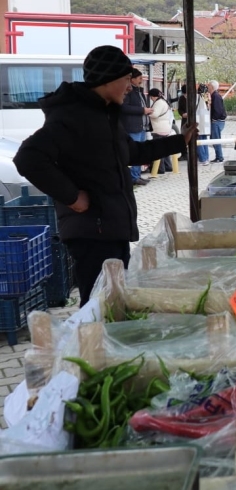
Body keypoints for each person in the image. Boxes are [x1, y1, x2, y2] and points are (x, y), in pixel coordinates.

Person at [13, 45, 195, 306]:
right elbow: (27, 158)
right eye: (125, 79)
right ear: (108, 80)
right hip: (91, 231)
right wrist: (72, 196)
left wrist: (180, 141)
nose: (129, 86)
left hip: (112, 227)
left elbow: (131, 152)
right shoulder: (71, 116)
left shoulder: (104, 115)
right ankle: (90, 346)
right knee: (98, 305)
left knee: (116, 302)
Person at [121, 68, 151, 185]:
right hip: (133, 128)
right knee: (134, 152)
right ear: (132, 79)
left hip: (142, 127)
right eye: (139, 78)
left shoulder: (139, 91)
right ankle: (133, 177)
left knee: (140, 152)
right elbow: (124, 107)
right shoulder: (128, 92)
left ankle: (137, 175)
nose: (141, 80)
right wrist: (142, 110)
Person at [148, 88, 174, 174]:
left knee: (159, 149)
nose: (151, 99)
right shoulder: (164, 101)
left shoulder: (158, 103)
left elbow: (155, 114)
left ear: (153, 96)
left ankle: (160, 169)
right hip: (165, 128)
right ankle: (168, 166)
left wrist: (147, 112)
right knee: (165, 149)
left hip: (159, 128)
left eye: (151, 97)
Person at [208, 80, 226, 163]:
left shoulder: (216, 96)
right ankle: (218, 156)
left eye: (208, 86)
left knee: (216, 139)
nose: (207, 87)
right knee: (214, 138)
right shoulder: (214, 96)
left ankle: (219, 157)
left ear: (212, 87)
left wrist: (214, 119)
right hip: (217, 121)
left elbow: (218, 110)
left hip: (217, 121)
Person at [195, 84, 211, 166]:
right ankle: (207, 158)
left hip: (199, 122)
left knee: (199, 142)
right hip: (206, 123)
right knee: (205, 141)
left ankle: (203, 159)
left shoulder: (198, 97)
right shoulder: (207, 97)